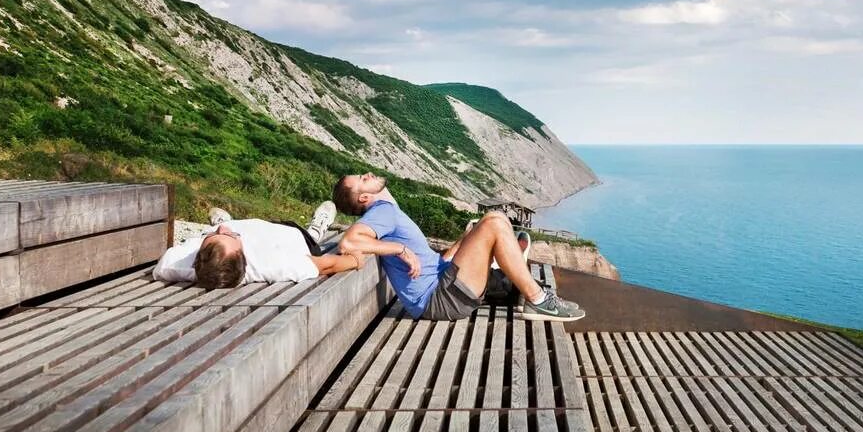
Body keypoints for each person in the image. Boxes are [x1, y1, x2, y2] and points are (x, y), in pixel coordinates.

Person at [332, 172, 585, 322]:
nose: (366, 174)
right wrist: (401, 250)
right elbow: (349, 241)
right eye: (361, 180)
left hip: (442, 282)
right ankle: (537, 299)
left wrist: (458, 246)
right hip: (440, 300)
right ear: (364, 198)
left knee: (488, 223)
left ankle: (508, 277)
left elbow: (428, 263)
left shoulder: (387, 209)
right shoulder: (381, 213)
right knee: (494, 222)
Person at [153, 202, 355, 288]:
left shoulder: (175, 264)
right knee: (312, 239)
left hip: (249, 227)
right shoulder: (273, 264)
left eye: (214, 236)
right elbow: (325, 264)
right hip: (292, 237)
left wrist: (224, 230)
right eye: (230, 236)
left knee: (225, 227)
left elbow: (161, 267)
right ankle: (317, 228)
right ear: (244, 255)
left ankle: (227, 220)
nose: (224, 231)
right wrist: (355, 260)